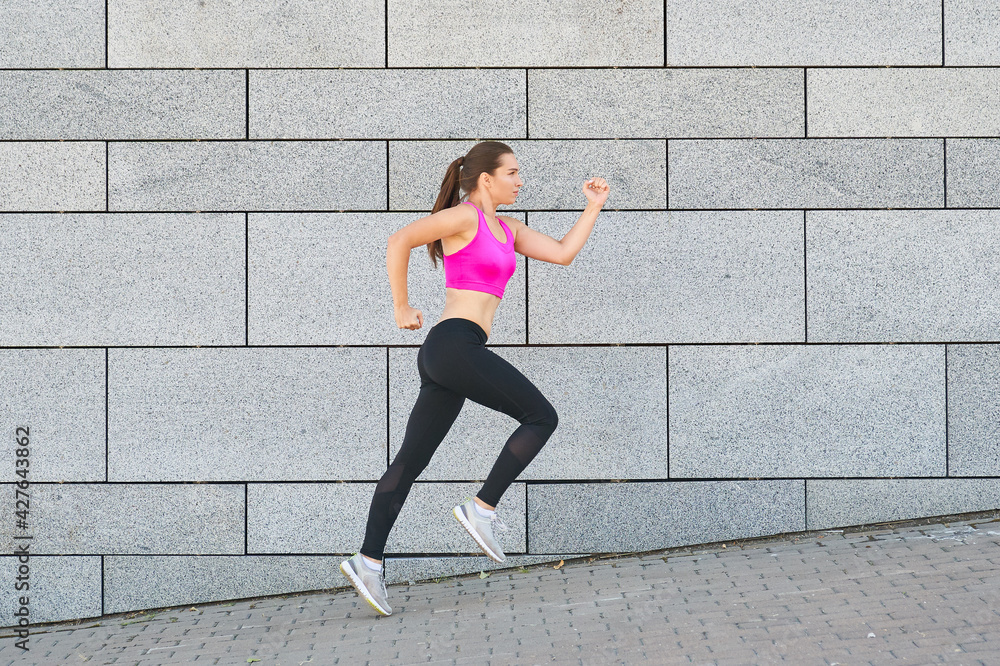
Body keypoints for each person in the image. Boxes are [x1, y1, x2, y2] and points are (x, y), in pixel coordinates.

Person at [340, 140, 610, 616]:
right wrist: (401, 305)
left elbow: (564, 253)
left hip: (456, 353)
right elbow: (400, 239)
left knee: (409, 462)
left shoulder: (508, 229)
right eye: (512, 173)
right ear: (486, 179)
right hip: (452, 344)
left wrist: (592, 207)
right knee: (540, 417)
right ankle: (482, 509)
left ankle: (368, 562)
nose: (520, 181)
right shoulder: (465, 218)